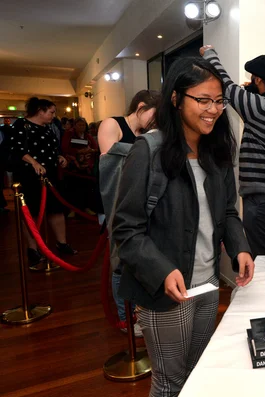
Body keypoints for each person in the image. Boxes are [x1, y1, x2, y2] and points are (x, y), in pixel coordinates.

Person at [111, 57, 255, 396]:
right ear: (175, 99)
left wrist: (241, 248)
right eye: (202, 100)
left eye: (218, 101)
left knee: (197, 373)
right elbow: (126, 230)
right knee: (170, 381)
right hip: (165, 290)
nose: (214, 110)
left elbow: (229, 212)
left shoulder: (215, 150)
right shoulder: (148, 151)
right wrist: (161, 270)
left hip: (206, 286)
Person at [200, 45, 265, 258]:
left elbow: (227, 86)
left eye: (254, 78)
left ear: (258, 79)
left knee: (260, 256)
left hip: (260, 199)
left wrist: (210, 54)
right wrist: (252, 91)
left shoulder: (259, 107)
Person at [97, 89, 160, 337]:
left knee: (139, 257)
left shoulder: (146, 135)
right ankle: (125, 316)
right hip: (116, 202)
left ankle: (140, 311)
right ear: (141, 107)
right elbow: (109, 158)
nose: (155, 125)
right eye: (153, 117)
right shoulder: (113, 124)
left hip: (142, 201)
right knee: (119, 262)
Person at [9, 98, 77, 266]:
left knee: (56, 209)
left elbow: (53, 148)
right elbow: (18, 150)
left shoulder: (47, 128)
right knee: (31, 212)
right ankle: (33, 249)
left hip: (50, 175)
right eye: (51, 112)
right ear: (40, 110)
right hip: (29, 176)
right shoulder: (21, 125)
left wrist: (59, 157)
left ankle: (61, 243)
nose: (54, 116)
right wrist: (34, 163)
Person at [61, 117, 99, 214]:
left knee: (86, 187)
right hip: (73, 166)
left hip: (86, 166)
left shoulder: (87, 136)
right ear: (75, 126)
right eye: (79, 125)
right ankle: (72, 209)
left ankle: (86, 207)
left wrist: (90, 151)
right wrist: (77, 152)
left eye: (83, 125)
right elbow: (65, 148)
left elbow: (95, 147)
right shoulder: (69, 134)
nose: (81, 127)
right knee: (73, 187)